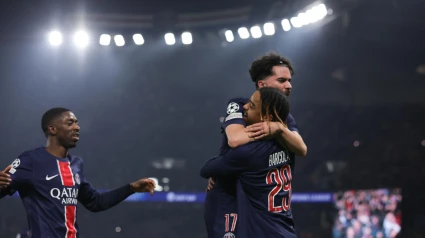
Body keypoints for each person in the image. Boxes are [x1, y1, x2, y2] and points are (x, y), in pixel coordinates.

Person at [0, 107, 156, 238]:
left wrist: (131, 188)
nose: (77, 127)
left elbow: (95, 202)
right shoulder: (30, 160)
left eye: (77, 123)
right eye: (70, 123)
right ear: (52, 129)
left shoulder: (76, 164)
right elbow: (4, 187)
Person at [203, 53, 306, 238]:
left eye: (290, 80)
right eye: (282, 80)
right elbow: (235, 139)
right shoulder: (239, 104)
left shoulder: (282, 117)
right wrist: (225, 165)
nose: (289, 85)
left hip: (255, 196)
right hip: (228, 194)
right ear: (262, 84)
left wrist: (278, 129)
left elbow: (302, 148)